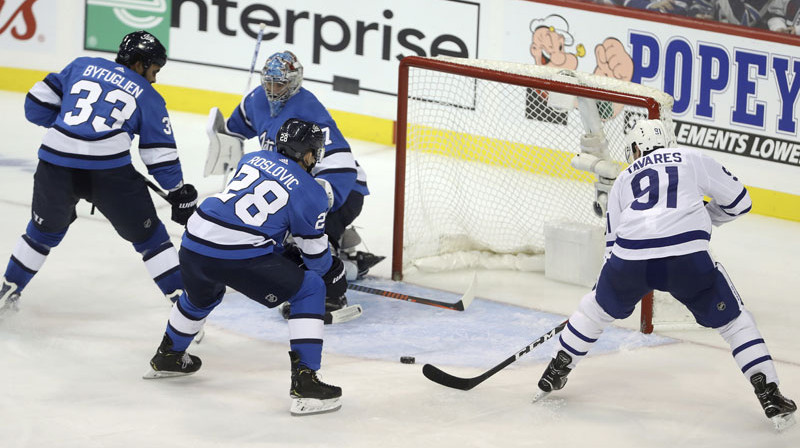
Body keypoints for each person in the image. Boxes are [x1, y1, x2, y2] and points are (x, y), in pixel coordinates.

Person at [533, 119, 797, 431]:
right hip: (687, 259)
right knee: (735, 322)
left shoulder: (623, 179)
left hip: (629, 259)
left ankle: (556, 368)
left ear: (634, 149)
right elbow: (741, 201)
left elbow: (612, 243)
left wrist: (607, 286)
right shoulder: (691, 159)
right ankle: (768, 392)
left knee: (595, 309)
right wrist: (704, 220)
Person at [143, 118, 345, 416]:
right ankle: (307, 384)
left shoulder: (254, 158)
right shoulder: (312, 191)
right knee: (310, 290)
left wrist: (280, 249)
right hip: (237, 253)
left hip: (195, 238)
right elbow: (315, 260)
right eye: (315, 152)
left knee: (202, 296)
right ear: (307, 154)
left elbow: (250, 215)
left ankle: (168, 355)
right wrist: (333, 271)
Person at [0, 30, 197, 314]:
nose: (154, 78)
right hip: (109, 176)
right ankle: (183, 307)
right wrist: (178, 190)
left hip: (54, 166)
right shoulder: (149, 96)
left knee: (41, 233)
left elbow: (35, 106)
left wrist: (72, 130)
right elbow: (159, 155)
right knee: (151, 238)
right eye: (153, 70)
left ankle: (9, 289)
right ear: (140, 63)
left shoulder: (81, 66)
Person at [219, 50, 383, 287]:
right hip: (297, 189)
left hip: (343, 191)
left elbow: (342, 167)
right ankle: (339, 242)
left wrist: (312, 213)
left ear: (294, 82)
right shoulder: (256, 99)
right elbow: (235, 129)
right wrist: (225, 141)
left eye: (280, 84)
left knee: (308, 262)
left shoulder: (310, 111)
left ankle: (343, 269)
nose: (273, 91)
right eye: (269, 83)